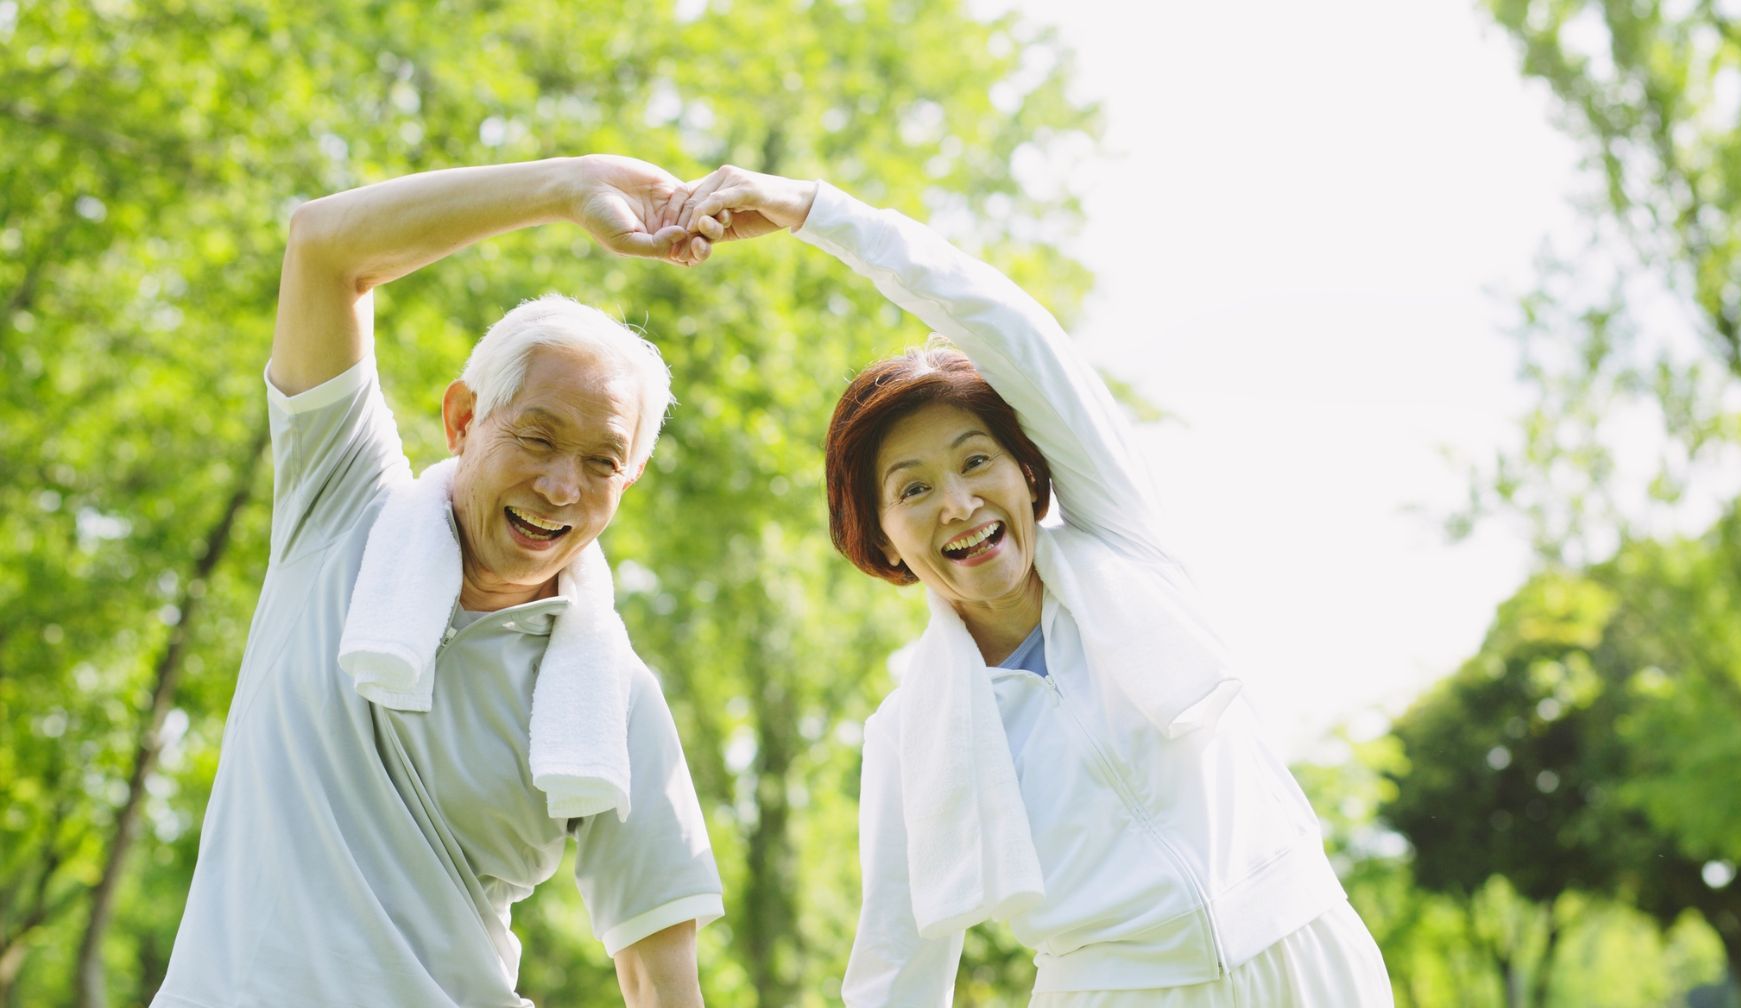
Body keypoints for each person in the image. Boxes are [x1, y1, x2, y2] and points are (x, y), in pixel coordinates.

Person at [669, 167, 1396, 1006]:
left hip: (1308, 960)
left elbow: (1012, 330)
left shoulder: (1128, 550)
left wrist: (817, 213)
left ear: (1028, 471)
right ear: (883, 536)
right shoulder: (910, 733)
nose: (958, 504)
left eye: (976, 461)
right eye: (914, 489)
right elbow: (896, 968)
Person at [154, 156, 728, 1008]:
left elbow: (658, 977)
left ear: (629, 478)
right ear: (463, 418)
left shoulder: (615, 698)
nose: (561, 487)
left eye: (601, 462)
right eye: (537, 438)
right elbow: (323, 246)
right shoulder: (343, 509)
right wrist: (571, 189)